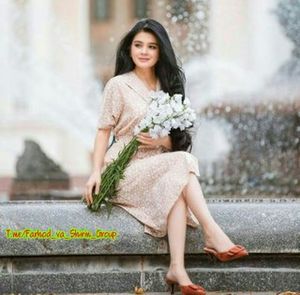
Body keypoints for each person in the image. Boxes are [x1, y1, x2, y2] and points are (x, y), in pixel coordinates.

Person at [84, 18, 248, 295]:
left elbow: (178, 140)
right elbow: (103, 132)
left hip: (160, 162)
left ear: (161, 52)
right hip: (125, 167)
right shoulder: (118, 85)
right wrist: (96, 171)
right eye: (138, 45)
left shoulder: (169, 85)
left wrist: (160, 139)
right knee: (183, 165)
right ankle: (211, 231)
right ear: (130, 49)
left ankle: (177, 269)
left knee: (177, 184)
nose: (144, 51)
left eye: (151, 46)